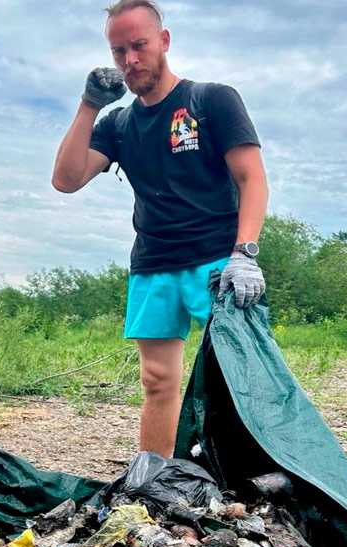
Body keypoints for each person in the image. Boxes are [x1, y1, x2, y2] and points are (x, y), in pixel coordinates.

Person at [51, 0, 269, 458]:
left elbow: (252, 178)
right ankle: (156, 478)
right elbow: (66, 180)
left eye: (139, 45)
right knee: (157, 381)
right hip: (153, 263)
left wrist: (245, 253)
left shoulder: (211, 100)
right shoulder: (118, 124)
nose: (130, 59)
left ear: (163, 41)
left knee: (242, 380)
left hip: (218, 262)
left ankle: (252, 486)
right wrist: (89, 104)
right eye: (119, 51)